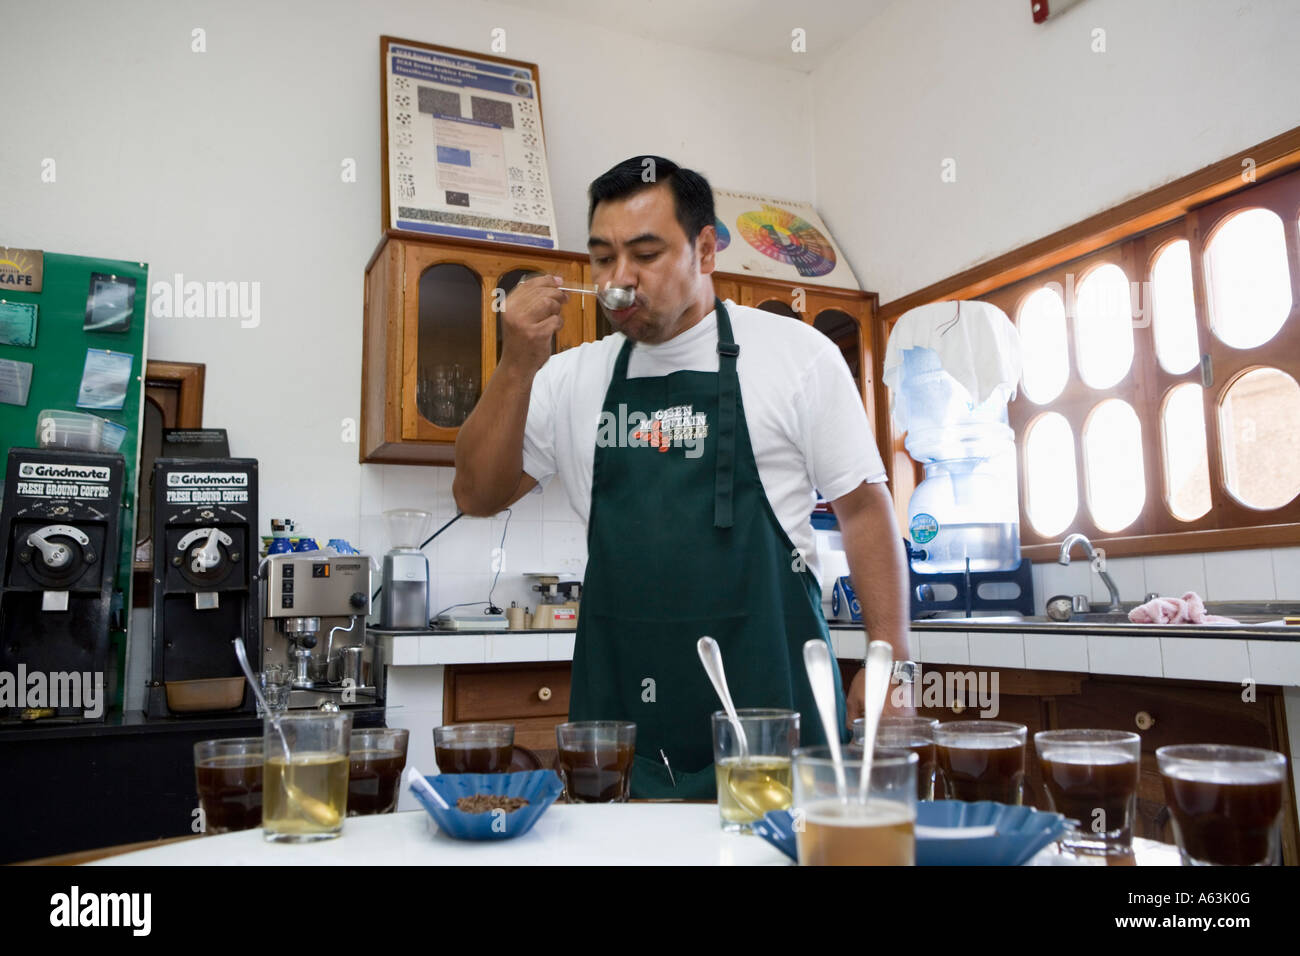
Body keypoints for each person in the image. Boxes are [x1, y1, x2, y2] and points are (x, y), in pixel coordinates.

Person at [454, 155, 912, 798]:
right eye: (604, 257)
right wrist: (516, 366)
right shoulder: (569, 377)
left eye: (645, 254)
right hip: (621, 723)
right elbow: (476, 495)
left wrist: (891, 659)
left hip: (773, 709)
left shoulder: (796, 356)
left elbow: (864, 511)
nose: (621, 281)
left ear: (705, 249)